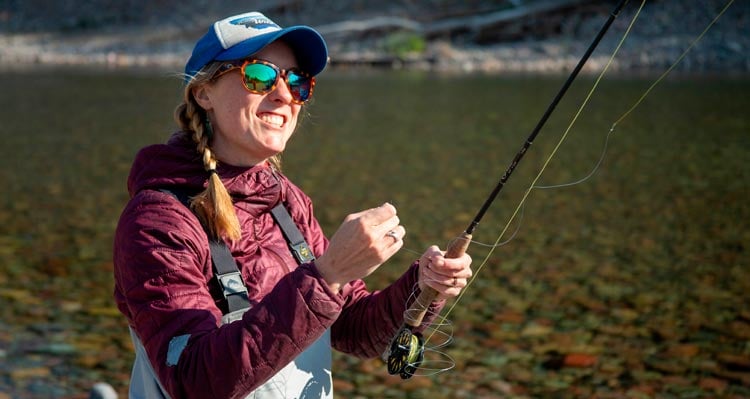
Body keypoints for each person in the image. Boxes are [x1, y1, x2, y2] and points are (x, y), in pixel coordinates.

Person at [113, 11, 472, 399]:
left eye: (297, 81)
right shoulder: (158, 221)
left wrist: (421, 288)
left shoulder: (288, 202)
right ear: (204, 93)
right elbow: (192, 380)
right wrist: (328, 274)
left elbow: (352, 330)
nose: (284, 95)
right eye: (261, 75)